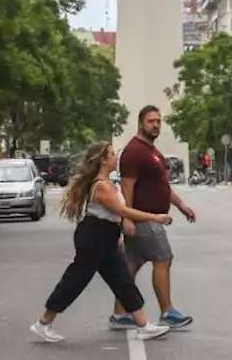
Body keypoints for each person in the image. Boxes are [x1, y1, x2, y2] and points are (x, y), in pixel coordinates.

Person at [31, 142, 172, 344]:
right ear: (104, 160)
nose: (116, 158)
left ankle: (144, 326)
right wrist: (155, 217)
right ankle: (43, 323)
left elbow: (115, 217)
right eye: (112, 154)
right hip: (93, 237)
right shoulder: (101, 186)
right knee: (76, 280)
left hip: (104, 236)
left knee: (122, 280)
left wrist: (117, 236)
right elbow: (122, 211)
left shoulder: (107, 183)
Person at [109, 105, 197, 330]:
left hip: (148, 218)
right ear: (141, 123)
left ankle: (119, 314)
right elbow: (127, 186)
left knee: (131, 265)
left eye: (158, 121)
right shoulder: (134, 151)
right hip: (145, 219)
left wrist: (181, 205)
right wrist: (126, 218)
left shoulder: (151, 151)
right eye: (151, 121)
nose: (156, 125)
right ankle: (167, 312)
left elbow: (162, 186)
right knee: (163, 260)